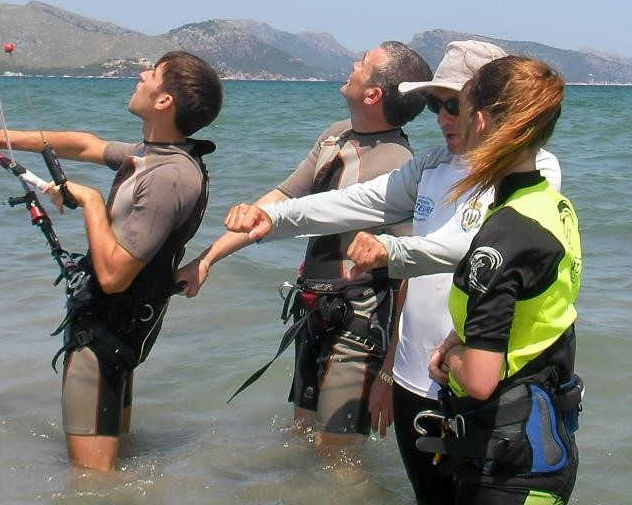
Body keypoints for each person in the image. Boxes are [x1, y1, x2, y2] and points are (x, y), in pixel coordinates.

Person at [223, 40, 561, 503]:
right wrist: (276, 219)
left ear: (488, 110)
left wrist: (393, 251)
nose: (440, 116)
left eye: (452, 103)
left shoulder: (536, 171)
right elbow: (357, 201)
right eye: (432, 103)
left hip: (480, 382)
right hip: (411, 379)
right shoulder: (431, 165)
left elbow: (478, 248)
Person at [0, 50, 223, 472]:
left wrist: (91, 200)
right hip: (117, 331)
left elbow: (113, 276)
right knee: (114, 468)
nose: (141, 76)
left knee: (91, 484)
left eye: (151, 74)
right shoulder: (153, 155)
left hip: (106, 333)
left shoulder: (169, 176)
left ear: (165, 101)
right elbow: (85, 144)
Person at [177, 41, 432, 463]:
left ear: (374, 95)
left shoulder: (399, 164)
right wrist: (205, 260)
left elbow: (411, 273)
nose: (352, 64)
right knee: (303, 446)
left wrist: (389, 370)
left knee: (338, 462)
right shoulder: (334, 135)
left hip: (359, 324)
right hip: (313, 310)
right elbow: (282, 200)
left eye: (363, 64)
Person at [425, 56, 581, 504]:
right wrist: (465, 334)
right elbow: (540, 307)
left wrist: (448, 359)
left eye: (457, 109)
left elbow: (479, 380)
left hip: (508, 466)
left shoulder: (507, 231)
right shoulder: (554, 207)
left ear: (479, 120)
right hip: (546, 438)